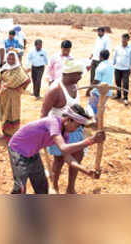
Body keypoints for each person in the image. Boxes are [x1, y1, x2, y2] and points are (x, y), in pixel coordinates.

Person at [8, 104, 105, 194]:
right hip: (18, 149)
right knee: (20, 188)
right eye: (76, 126)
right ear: (68, 119)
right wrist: (90, 141)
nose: (75, 129)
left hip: (32, 153)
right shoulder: (53, 122)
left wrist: (86, 171)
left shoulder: (65, 135)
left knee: (42, 188)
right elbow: (63, 148)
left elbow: (68, 158)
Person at [41, 59, 86, 194]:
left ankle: (70, 188)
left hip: (76, 130)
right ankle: (54, 186)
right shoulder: (55, 89)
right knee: (59, 160)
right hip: (59, 131)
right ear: (71, 73)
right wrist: (43, 133)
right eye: (79, 74)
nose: (81, 77)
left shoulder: (74, 86)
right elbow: (43, 112)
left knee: (78, 156)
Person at [0, 51, 30, 140]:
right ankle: (5, 134)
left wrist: (19, 89)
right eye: (9, 58)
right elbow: (0, 80)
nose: (10, 60)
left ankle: (13, 136)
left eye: (12, 58)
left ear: (16, 59)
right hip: (4, 95)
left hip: (14, 96)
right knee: (5, 113)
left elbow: (27, 80)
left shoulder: (18, 69)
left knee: (13, 114)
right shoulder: (4, 68)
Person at [88, 49, 114, 122]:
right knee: (101, 106)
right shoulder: (111, 65)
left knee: (92, 105)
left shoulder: (100, 67)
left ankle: (95, 120)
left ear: (100, 57)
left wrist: (89, 89)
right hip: (108, 91)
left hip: (99, 91)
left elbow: (96, 80)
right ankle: (99, 121)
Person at [113, 34, 131, 105]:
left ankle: (125, 98)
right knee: (117, 82)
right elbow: (114, 57)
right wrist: (113, 65)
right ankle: (118, 95)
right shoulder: (117, 48)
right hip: (117, 68)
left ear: (128, 40)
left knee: (125, 83)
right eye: (122, 39)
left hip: (126, 69)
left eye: (125, 39)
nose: (123, 40)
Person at [88, 27, 111, 95]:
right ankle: (91, 88)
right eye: (98, 32)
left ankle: (98, 90)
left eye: (100, 32)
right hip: (94, 59)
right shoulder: (98, 38)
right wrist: (92, 55)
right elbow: (95, 47)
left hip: (100, 60)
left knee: (98, 76)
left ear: (103, 32)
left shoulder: (107, 39)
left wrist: (104, 59)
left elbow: (107, 50)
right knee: (92, 74)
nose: (98, 33)